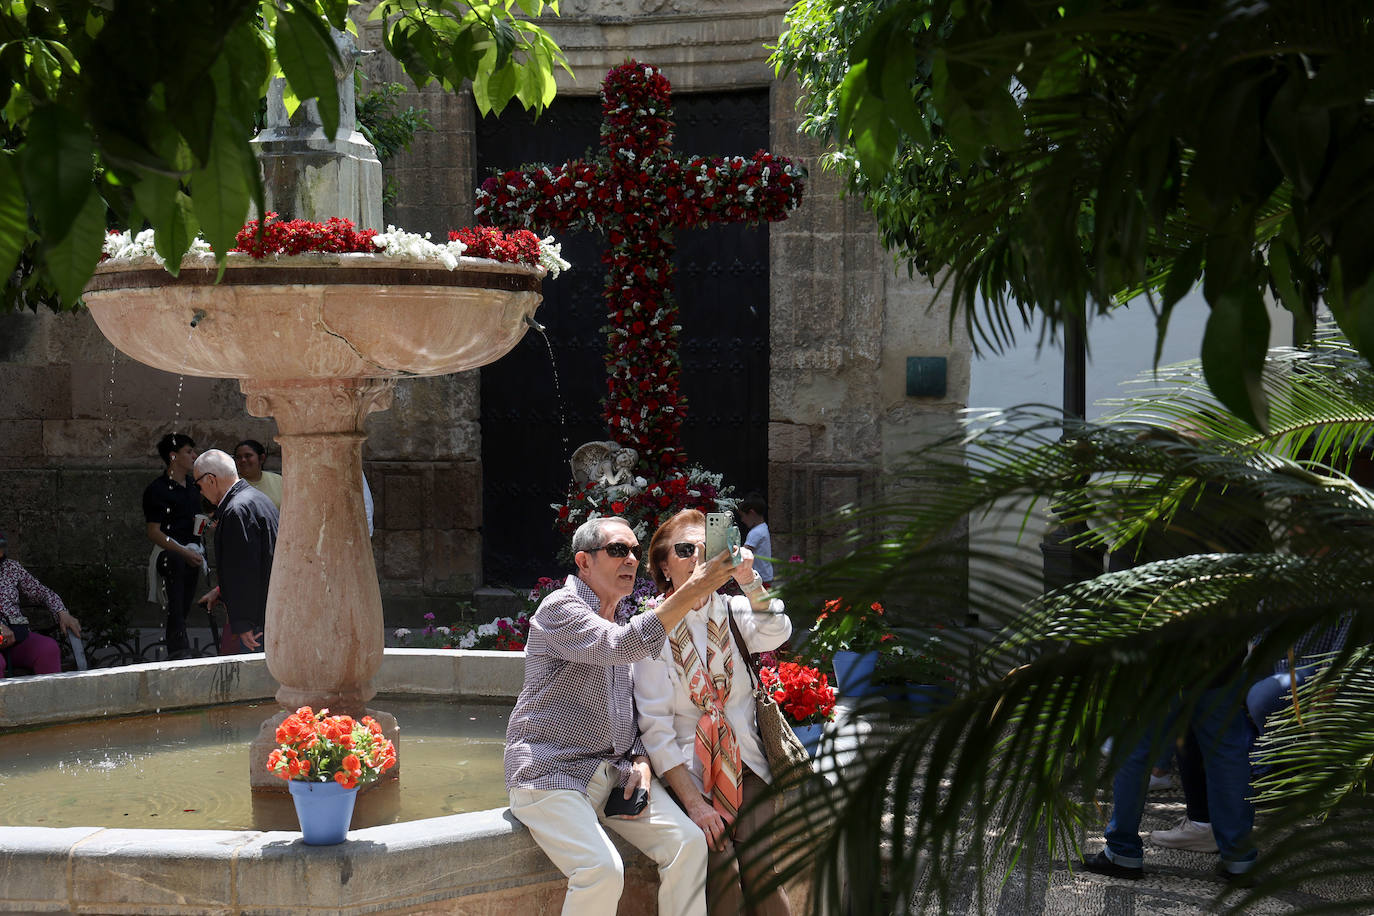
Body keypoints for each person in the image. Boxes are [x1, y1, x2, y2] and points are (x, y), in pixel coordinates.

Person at [505, 515, 737, 916]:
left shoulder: (615, 617)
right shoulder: (560, 608)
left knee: (687, 843)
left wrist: (642, 761)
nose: (630, 558)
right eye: (617, 550)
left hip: (611, 773)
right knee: (600, 869)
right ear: (584, 562)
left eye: (633, 550)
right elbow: (620, 646)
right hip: (548, 773)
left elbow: (626, 717)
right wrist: (696, 586)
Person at [634, 509, 794, 916]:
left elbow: (778, 630)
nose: (697, 559)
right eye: (685, 550)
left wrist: (746, 579)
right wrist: (696, 805)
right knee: (719, 868)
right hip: (691, 771)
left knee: (760, 867)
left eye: (706, 550)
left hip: (749, 763)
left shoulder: (733, 610)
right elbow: (656, 728)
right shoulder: (650, 629)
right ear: (663, 566)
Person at [192, 449, 279, 653]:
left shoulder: (236, 511)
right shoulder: (256, 499)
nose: (200, 490)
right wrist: (221, 592)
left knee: (259, 682)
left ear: (211, 480)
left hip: (257, 623)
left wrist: (243, 623)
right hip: (269, 613)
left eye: (198, 484)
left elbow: (245, 572)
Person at [143, 432, 206, 659]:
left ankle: (179, 645)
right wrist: (183, 551)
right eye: (188, 452)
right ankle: (178, 650)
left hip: (191, 552)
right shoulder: (157, 490)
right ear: (173, 456)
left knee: (183, 604)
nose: (194, 456)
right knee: (176, 597)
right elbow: (154, 532)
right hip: (169, 554)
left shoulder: (193, 486)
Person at [0, 530, 82, 677]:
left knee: (47, 649)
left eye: (1, 547)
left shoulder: (11, 568)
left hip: (16, 637)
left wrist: (61, 611)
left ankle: (50, 699)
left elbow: (41, 592)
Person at [233, 439, 283, 510]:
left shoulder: (278, 481)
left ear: (261, 458)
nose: (243, 460)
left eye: (248, 456)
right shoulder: (232, 484)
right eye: (238, 457)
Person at [738, 496, 773, 586]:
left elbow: (742, 554)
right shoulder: (763, 527)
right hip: (766, 575)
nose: (742, 520)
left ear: (751, 513)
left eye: (743, 516)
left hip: (761, 578)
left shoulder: (756, 532)